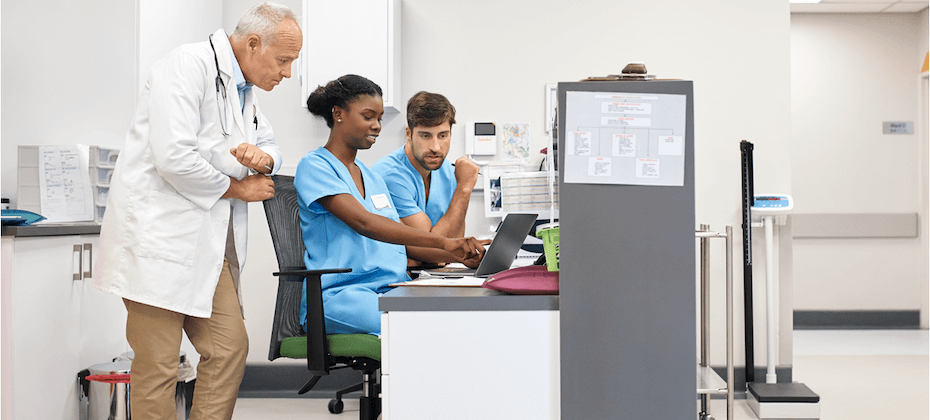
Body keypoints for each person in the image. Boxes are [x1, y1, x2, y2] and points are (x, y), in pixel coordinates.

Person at [93, 3, 301, 419]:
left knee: (228, 347)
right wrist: (239, 188)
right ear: (253, 44)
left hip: (207, 244)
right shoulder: (187, 65)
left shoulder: (244, 92)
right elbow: (173, 158)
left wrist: (265, 159)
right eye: (284, 60)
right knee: (158, 365)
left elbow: (272, 147)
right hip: (159, 240)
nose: (287, 73)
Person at [296, 75, 486, 335]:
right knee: (420, 329)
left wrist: (461, 255)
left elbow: (401, 239)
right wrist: (444, 244)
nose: (376, 126)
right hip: (341, 295)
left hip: (391, 287)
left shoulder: (370, 175)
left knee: (457, 317)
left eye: (379, 118)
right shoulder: (315, 166)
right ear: (338, 114)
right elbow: (366, 223)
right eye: (368, 116)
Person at [371, 91, 483, 267]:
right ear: (408, 134)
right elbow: (433, 251)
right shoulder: (390, 175)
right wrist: (464, 188)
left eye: (443, 135)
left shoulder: (448, 171)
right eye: (425, 135)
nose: (435, 147)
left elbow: (455, 239)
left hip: (430, 275)